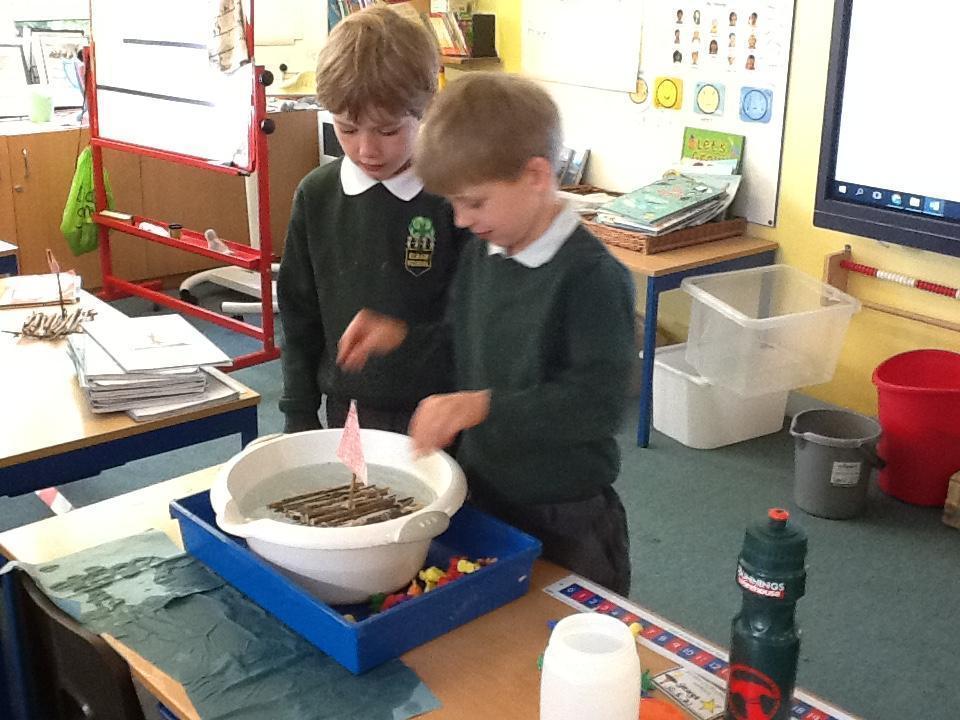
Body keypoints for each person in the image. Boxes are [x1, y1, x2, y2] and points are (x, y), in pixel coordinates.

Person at [337, 73, 636, 596]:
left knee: (557, 631)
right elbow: (463, 345)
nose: (459, 220)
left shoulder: (592, 278)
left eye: (474, 202)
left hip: (566, 514)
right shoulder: (485, 251)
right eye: (453, 204)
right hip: (485, 493)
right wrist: (401, 337)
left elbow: (598, 405)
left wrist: (482, 407)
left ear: (536, 176)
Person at [277, 7, 466, 434]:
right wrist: (299, 410)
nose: (366, 150)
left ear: (427, 109)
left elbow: (475, 326)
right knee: (353, 479)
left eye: (388, 131)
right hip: (348, 409)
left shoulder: (457, 200)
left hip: (441, 412)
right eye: (347, 129)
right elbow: (298, 315)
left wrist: (404, 337)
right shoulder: (316, 195)